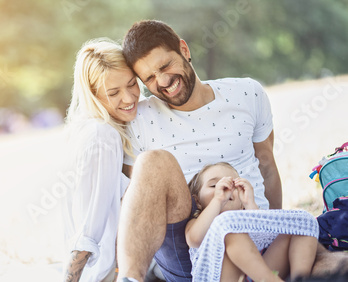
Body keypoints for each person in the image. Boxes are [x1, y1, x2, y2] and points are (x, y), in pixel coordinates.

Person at [116, 20, 347, 282]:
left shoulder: (247, 93)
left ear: (184, 49)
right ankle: (130, 279)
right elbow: (136, 202)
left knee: (334, 264)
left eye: (165, 66)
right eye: (149, 78)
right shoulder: (140, 119)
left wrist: (270, 228)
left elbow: (267, 167)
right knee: (153, 161)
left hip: (258, 235)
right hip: (193, 249)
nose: (163, 81)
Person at [62, 37, 140, 281]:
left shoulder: (93, 127)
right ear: (93, 96)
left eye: (132, 84)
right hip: (108, 271)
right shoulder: (102, 135)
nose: (128, 98)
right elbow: (90, 227)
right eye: (114, 93)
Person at [185, 162, 318, 281]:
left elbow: (266, 232)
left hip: (259, 273)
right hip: (225, 277)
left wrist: (250, 203)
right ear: (197, 201)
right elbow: (194, 239)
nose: (225, 189)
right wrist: (218, 200)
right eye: (214, 185)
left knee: (300, 223)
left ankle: (301, 279)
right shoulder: (196, 222)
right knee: (229, 227)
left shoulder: (243, 217)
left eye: (233, 186)